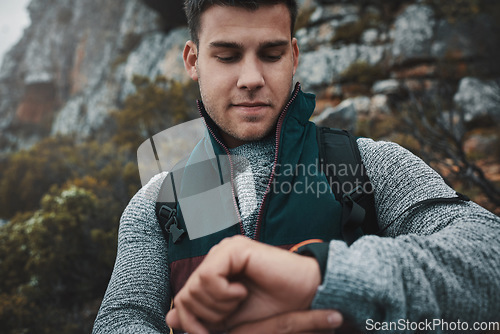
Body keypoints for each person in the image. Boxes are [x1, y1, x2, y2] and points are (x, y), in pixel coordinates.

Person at [92, 0, 500, 333]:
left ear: (295, 54)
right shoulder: (155, 202)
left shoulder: (370, 163)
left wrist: (323, 277)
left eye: (271, 54)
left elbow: (488, 254)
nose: (251, 77)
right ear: (193, 59)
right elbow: (123, 319)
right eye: (228, 56)